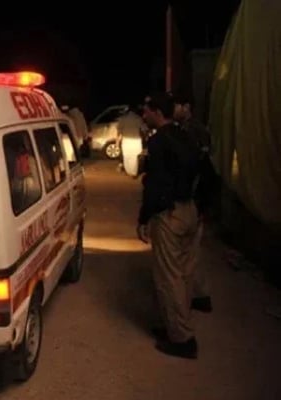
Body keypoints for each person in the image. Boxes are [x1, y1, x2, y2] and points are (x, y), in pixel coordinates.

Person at [137, 92, 202, 359]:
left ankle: (182, 339)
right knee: (184, 274)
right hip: (190, 210)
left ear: (157, 113)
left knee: (168, 277)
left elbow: (155, 185)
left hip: (170, 213)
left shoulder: (159, 142)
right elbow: (204, 171)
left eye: (147, 111)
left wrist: (144, 218)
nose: (143, 115)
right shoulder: (186, 136)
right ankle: (176, 326)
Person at [174, 95, 214, 313]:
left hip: (194, 199)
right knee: (191, 254)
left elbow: (201, 170)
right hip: (196, 199)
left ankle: (190, 299)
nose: (174, 109)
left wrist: (199, 203)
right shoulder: (187, 129)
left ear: (187, 106)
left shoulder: (193, 132)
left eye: (177, 105)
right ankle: (199, 295)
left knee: (186, 254)